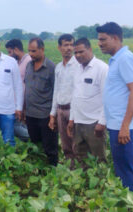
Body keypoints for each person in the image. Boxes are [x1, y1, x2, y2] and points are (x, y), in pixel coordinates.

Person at [97, 22, 133, 196]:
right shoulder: (116, 59)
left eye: (103, 39)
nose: (100, 43)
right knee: (121, 168)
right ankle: (126, 201)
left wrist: (125, 126)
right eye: (99, 40)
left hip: (124, 126)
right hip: (116, 124)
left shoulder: (125, 58)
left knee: (126, 169)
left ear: (115, 38)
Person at [67, 38, 108, 167]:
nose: (78, 56)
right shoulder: (77, 69)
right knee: (81, 157)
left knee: (99, 158)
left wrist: (102, 122)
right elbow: (75, 96)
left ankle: (101, 185)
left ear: (90, 49)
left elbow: (107, 98)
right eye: (76, 53)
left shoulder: (102, 68)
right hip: (79, 122)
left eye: (81, 52)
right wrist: (71, 119)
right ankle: (84, 185)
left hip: (94, 123)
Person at [24, 37, 58, 166]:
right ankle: (39, 169)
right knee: (35, 145)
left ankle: (52, 170)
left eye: (33, 51)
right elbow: (26, 88)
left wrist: (53, 116)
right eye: (29, 51)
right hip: (30, 114)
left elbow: (56, 92)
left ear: (42, 49)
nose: (30, 54)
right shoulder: (29, 65)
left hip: (45, 114)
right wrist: (23, 109)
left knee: (50, 146)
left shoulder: (50, 67)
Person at [49, 34, 79, 166]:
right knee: (65, 145)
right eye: (66, 45)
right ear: (59, 47)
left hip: (74, 110)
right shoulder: (58, 67)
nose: (69, 48)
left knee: (76, 144)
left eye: (71, 45)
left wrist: (73, 116)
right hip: (61, 110)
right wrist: (52, 114)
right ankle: (70, 171)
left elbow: (79, 92)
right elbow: (56, 90)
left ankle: (80, 172)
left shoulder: (78, 65)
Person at [5, 39, 31, 142]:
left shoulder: (28, 61)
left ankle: (35, 139)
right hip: (16, 103)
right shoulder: (16, 62)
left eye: (10, 52)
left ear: (16, 49)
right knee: (19, 126)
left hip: (24, 103)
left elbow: (28, 85)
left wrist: (23, 105)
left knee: (17, 127)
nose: (9, 55)